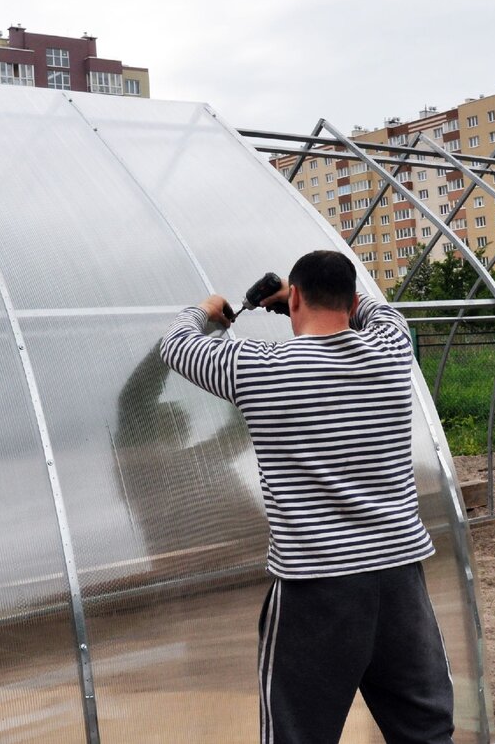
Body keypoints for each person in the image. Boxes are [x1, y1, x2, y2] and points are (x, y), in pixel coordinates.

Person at [158, 250, 454, 744]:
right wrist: (303, 300)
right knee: (425, 731)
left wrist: (206, 310)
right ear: (350, 298)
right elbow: (379, 312)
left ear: (294, 296)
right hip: (400, 580)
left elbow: (176, 346)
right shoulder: (392, 349)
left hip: (316, 589)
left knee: (297, 734)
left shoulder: (257, 367)